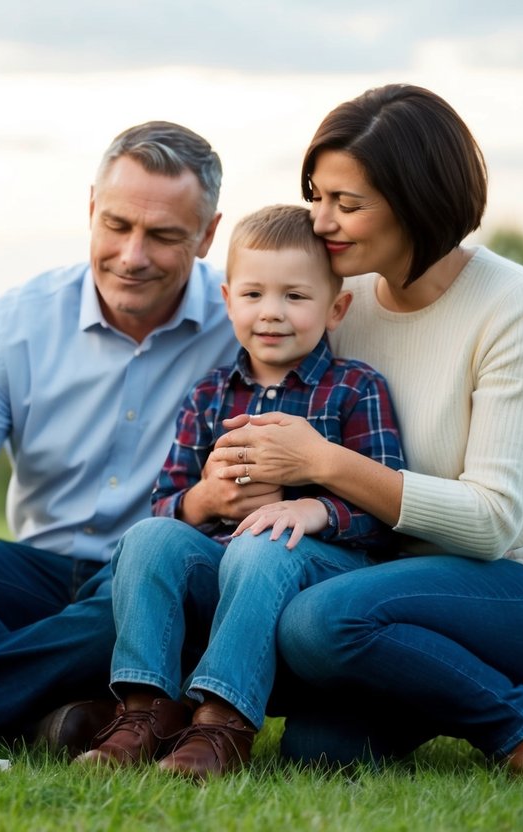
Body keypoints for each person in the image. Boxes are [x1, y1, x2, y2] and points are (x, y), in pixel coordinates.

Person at [219, 84, 523, 774]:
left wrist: (322, 463)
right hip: (385, 586)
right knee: (318, 753)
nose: (320, 220)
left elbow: (491, 522)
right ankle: (428, 691)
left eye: (346, 203)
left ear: (415, 200)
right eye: (316, 195)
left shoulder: (516, 307)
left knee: (317, 623)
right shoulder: (340, 297)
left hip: (522, 588)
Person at [0, 121, 283, 741]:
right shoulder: (14, 324)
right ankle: (56, 708)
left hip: (154, 585)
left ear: (207, 235)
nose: (132, 256)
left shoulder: (248, 328)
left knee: (169, 600)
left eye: (163, 235)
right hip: (34, 576)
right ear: (91, 208)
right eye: (117, 225)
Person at [75, 204, 405, 779]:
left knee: (264, 541)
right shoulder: (209, 396)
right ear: (228, 301)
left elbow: (387, 510)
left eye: (295, 297)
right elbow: (166, 503)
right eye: (253, 295)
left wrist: (316, 509)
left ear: (336, 307)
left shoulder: (355, 389)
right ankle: (145, 712)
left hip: (320, 573)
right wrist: (206, 499)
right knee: (150, 537)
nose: (271, 313)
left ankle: (222, 724)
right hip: (223, 563)